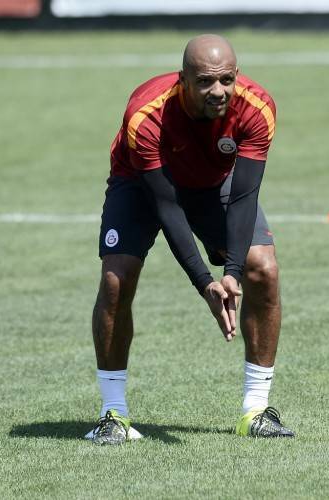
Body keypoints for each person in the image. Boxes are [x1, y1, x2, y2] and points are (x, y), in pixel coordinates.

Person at [87, 34, 294, 445]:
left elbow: (244, 197)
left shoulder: (257, 108)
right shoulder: (146, 115)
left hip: (214, 182)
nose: (218, 91)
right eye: (204, 82)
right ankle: (114, 413)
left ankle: (255, 410)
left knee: (263, 268)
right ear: (182, 80)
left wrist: (231, 272)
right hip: (142, 184)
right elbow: (167, 207)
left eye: (226, 80)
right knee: (116, 278)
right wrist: (204, 282)